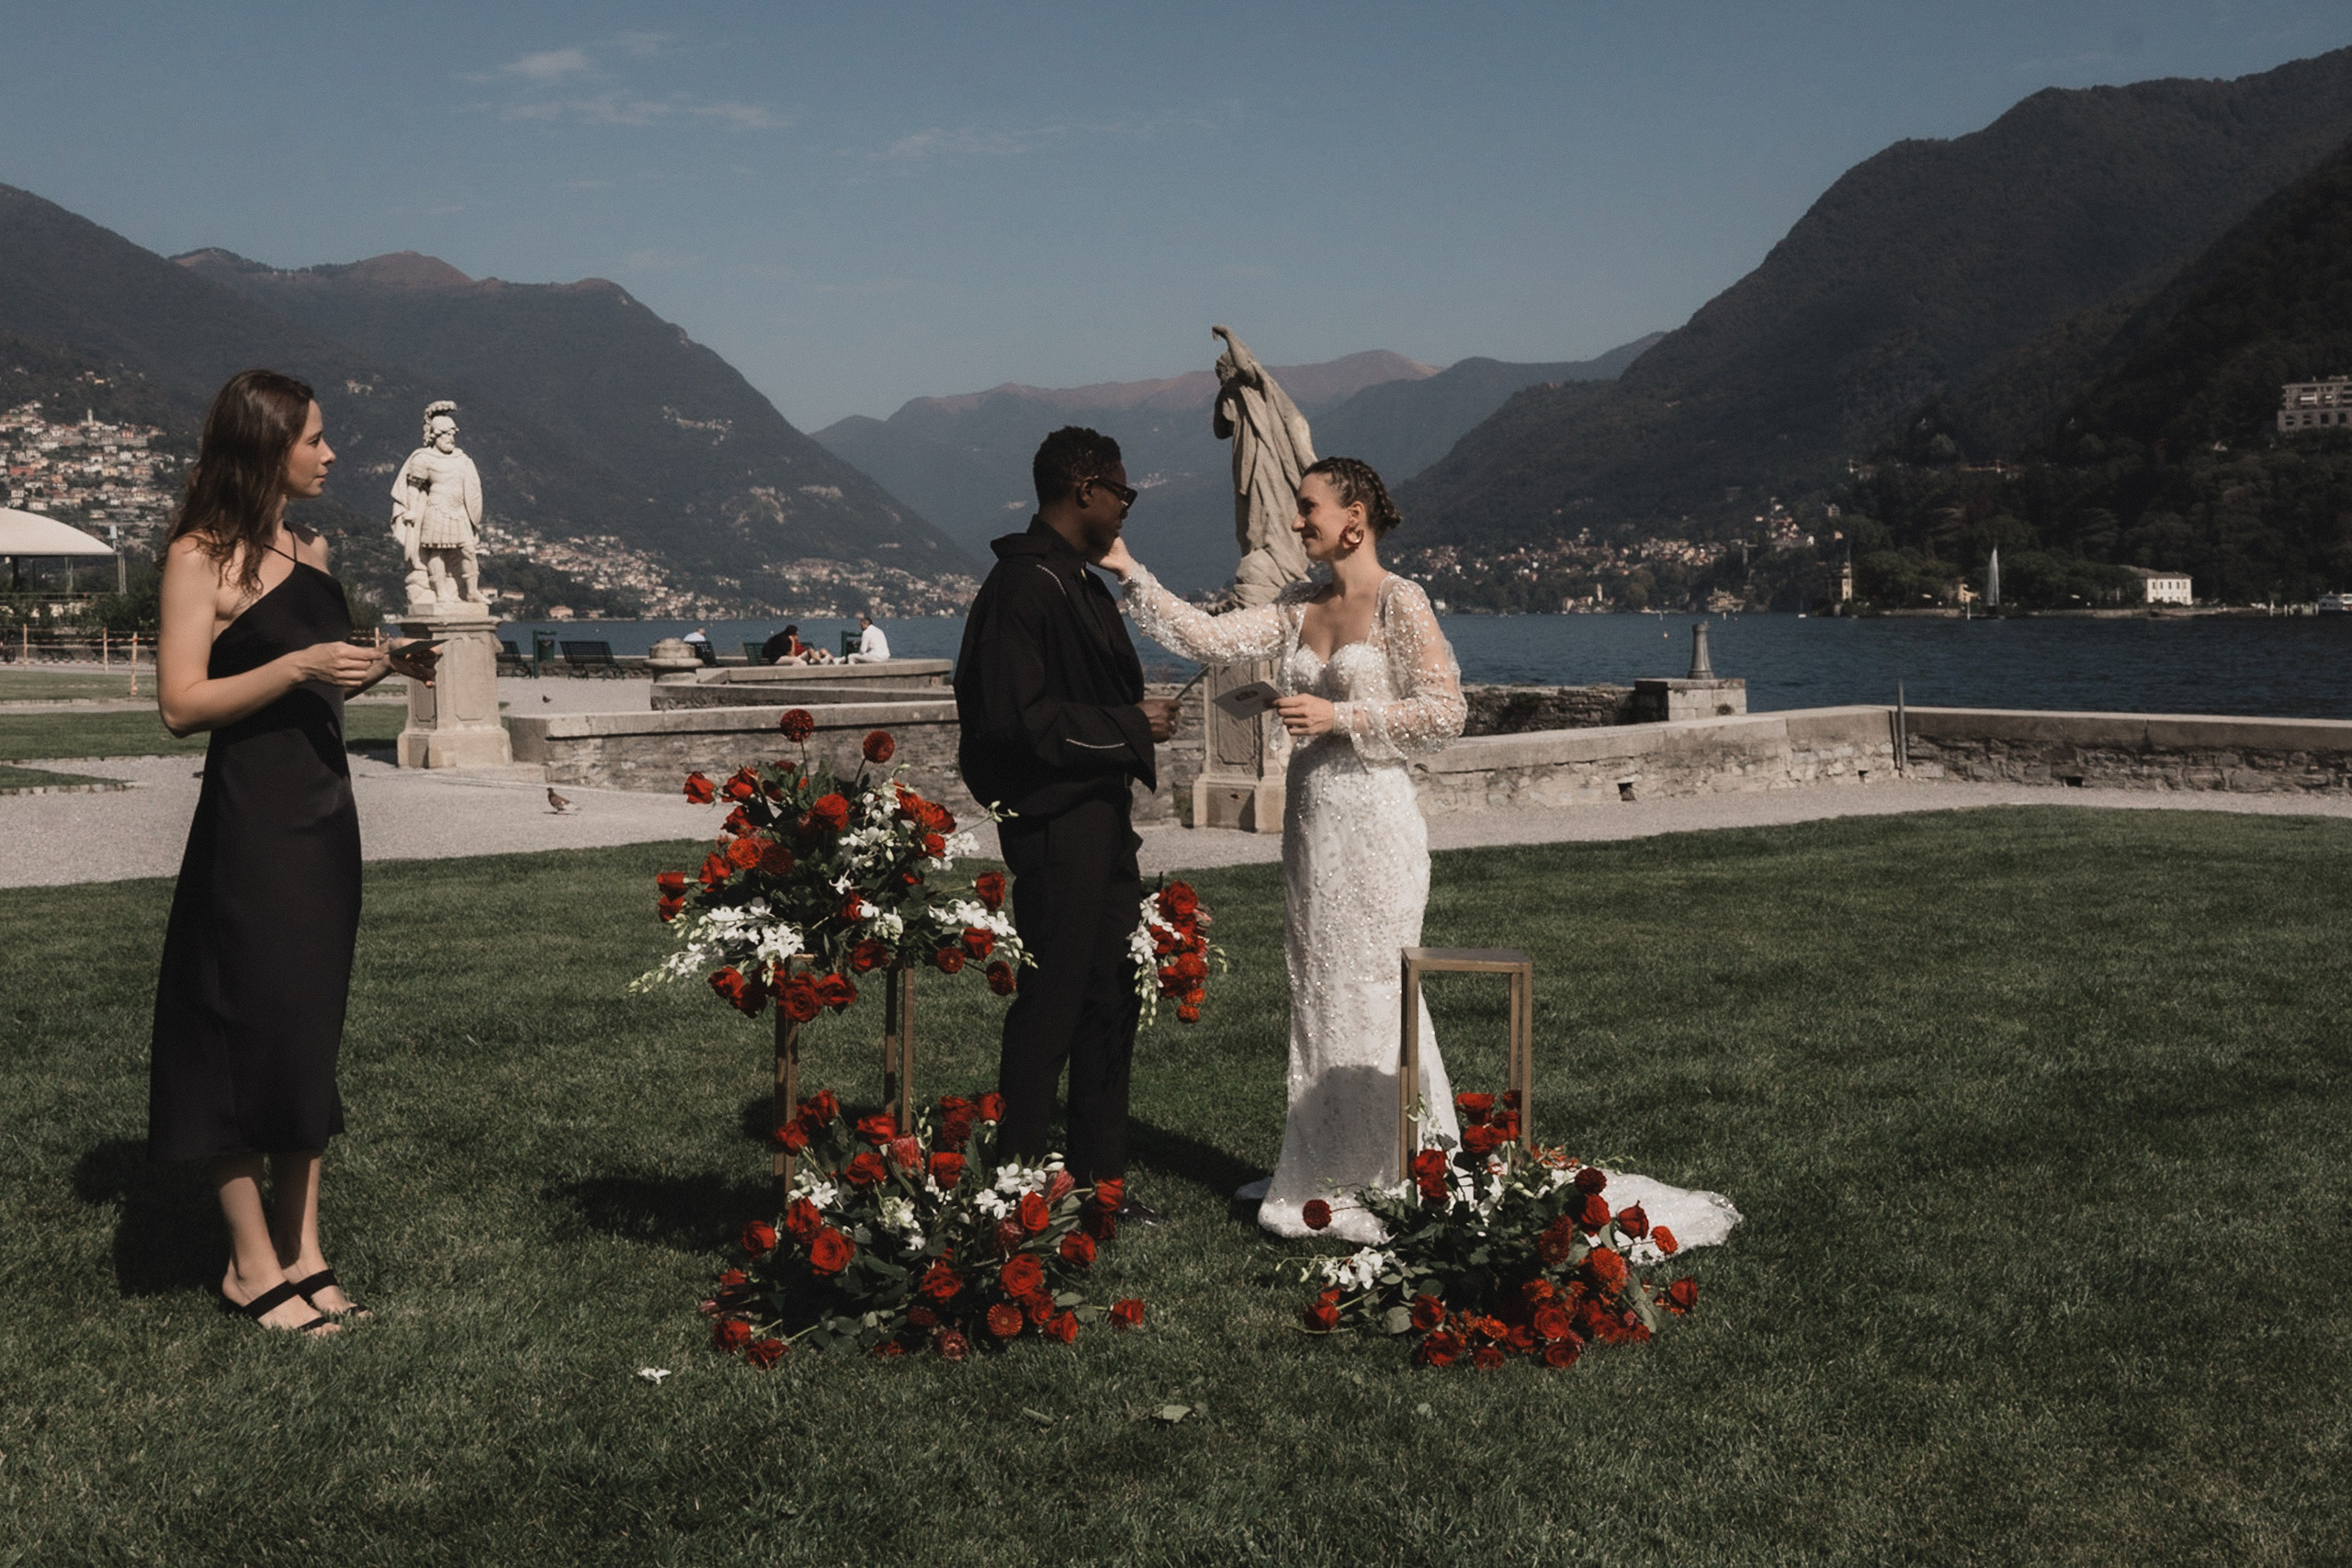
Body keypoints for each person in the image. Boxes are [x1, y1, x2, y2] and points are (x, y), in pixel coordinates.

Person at [1102, 456, 1465, 1243]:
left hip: (1377, 826)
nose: (1297, 522)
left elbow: (1445, 713)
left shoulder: (1401, 601)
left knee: (1376, 984)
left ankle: (1397, 1168)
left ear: (1354, 517)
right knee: (1320, 983)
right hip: (1313, 829)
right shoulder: (1296, 605)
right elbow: (1207, 636)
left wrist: (1342, 719)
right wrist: (1130, 572)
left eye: (1308, 508)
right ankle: (1324, 1159)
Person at [150, 369, 439, 1334]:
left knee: (306, 1032)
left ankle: (305, 1252)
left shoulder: (308, 552)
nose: (329, 453)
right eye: (314, 438)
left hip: (325, 822)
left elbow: (312, 692)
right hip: (250, 824)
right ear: (267, 445)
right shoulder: (201, 557)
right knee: (240, 1028)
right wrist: (298, 662)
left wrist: (380, 664)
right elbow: (182, 705)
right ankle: (248, 1266)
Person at [955, 426, 1179, 1214]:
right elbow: (1014, 723)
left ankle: (1100, 1185)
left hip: (1099, 822)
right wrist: (1130, 727)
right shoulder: (1023, 589)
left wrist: (1123, 730)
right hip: (1058, 830)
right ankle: (1017, 1189)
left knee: (1110, 999)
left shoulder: (1069, 582)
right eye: (1122, 492)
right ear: (1084, 488)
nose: (1126, 508)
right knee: (1051, 1009)